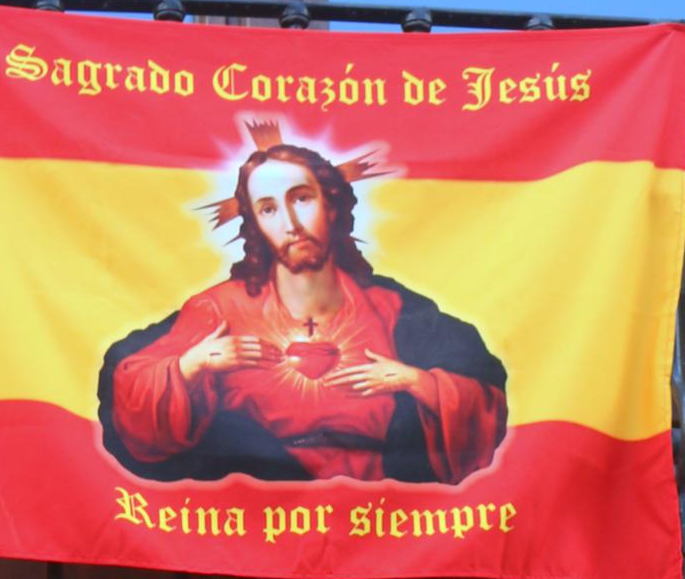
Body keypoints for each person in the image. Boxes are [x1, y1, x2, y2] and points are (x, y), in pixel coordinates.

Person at [101, 139, 508, 487]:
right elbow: (129, 390)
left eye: (301, 198)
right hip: (258, 531)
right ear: (256, 225)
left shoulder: (395, 311)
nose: (291, 223)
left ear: (331, 205)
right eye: (268, 209)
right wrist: (191, 365)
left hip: (380, 529)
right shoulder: (218, 310)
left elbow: (484, 402)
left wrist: (418, 382)